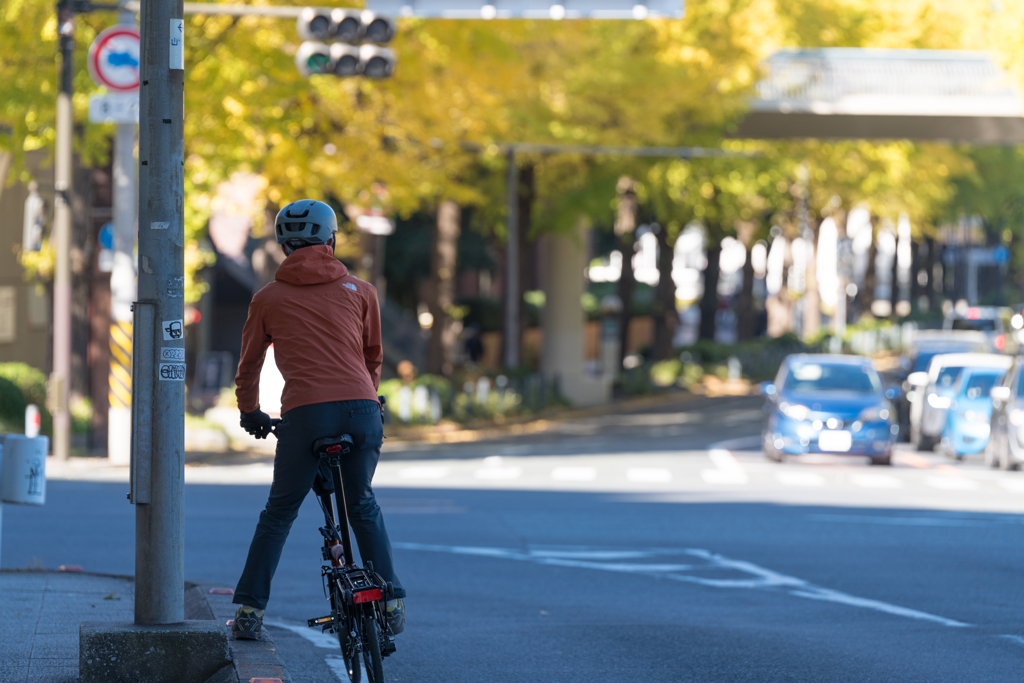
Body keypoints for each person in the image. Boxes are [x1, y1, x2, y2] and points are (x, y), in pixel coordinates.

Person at [230, 199, 406, 640]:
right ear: (331, 240)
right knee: (361, 503)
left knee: (279, 514)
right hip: (362, 410)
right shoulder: (361, 291)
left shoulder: (267, 298)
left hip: (306, 413)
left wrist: (250, 411)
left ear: (284, 245)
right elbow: (373, 357)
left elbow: (249, 365)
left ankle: (250, 613)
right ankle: (392, 600)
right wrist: (366, 399)